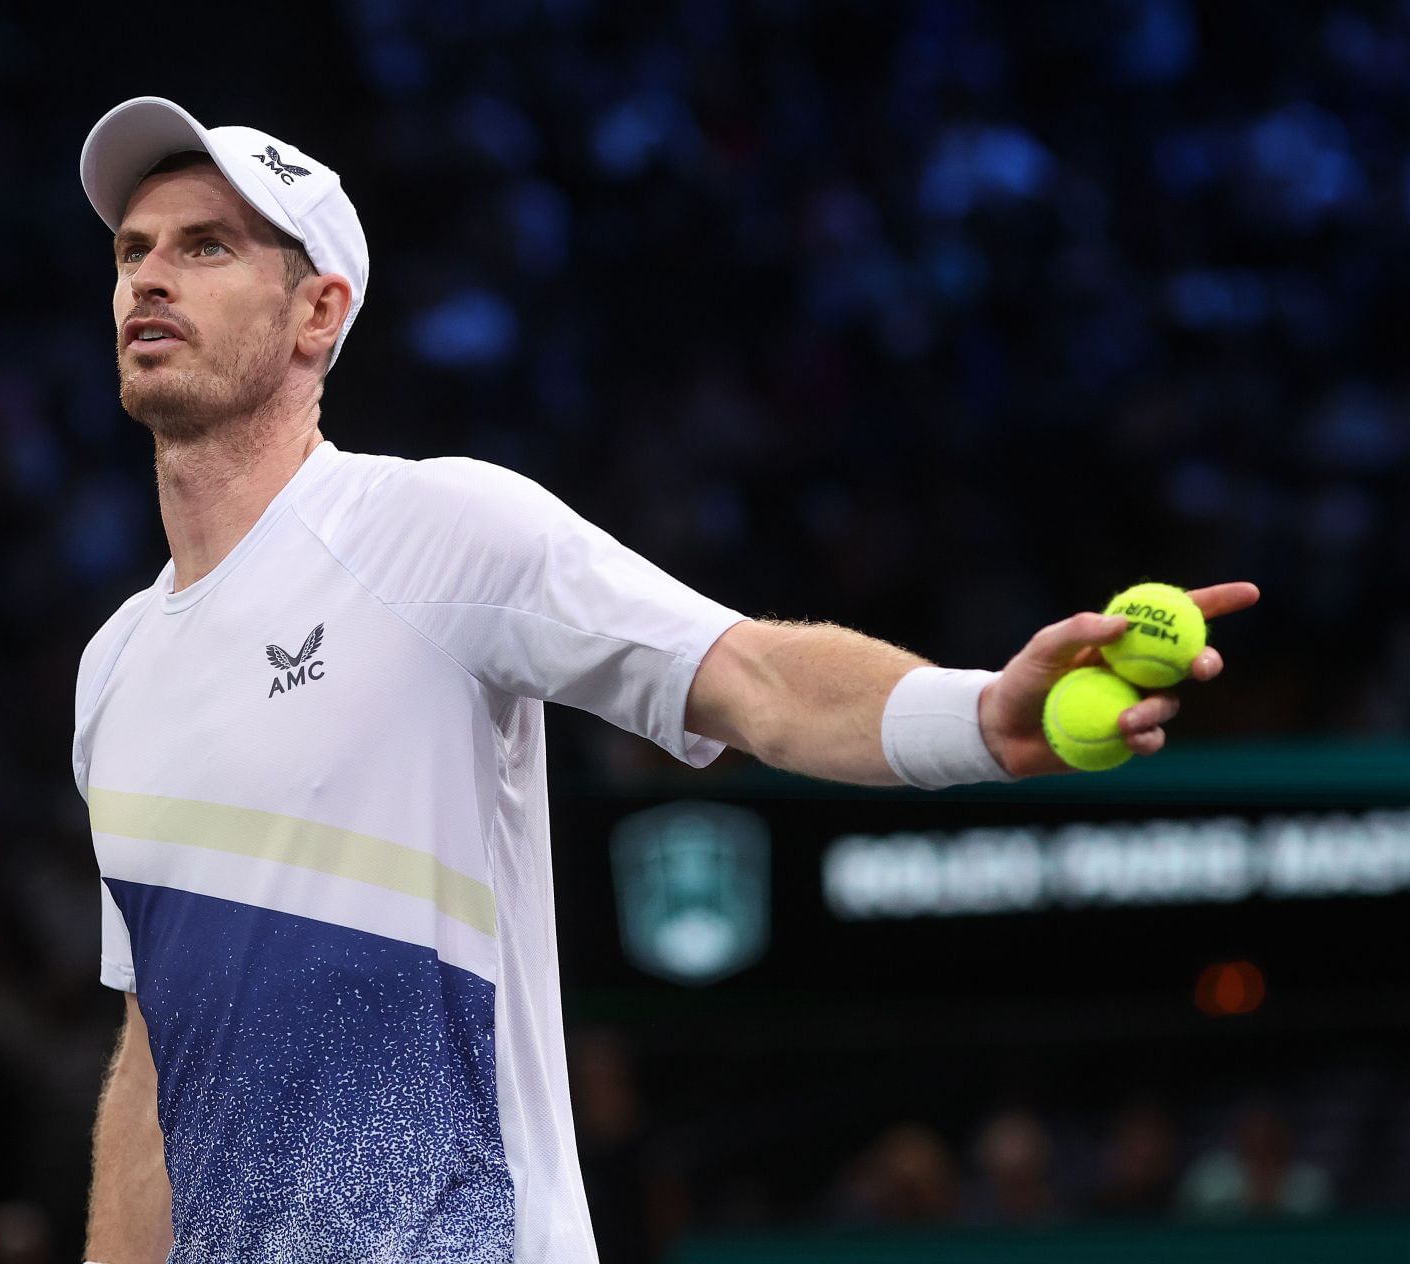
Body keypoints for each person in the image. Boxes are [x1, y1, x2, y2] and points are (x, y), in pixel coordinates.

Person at [66, 96, 1260, 1264]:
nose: (150, 277)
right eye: (133, 250)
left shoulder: (433, 529)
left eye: (206, 245)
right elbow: (154, 1053)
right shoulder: (112, 673)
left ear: (318, 312)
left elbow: (748, 674)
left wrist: (980, 712)